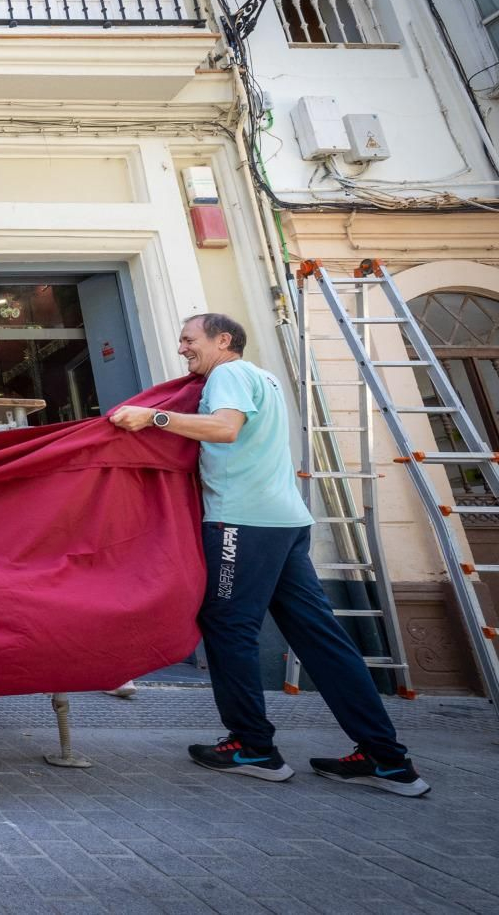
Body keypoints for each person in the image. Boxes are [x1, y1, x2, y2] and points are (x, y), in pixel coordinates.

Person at [109, 312, 429, 798]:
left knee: (228, 628)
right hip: (285, 522)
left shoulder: (230, 374)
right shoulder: (264, 378)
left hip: (244, 522)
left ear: (223, 340)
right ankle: (386, 757)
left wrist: (153, 417)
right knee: (321, 638)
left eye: (188, 339)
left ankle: (253, 748)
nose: (182, 348)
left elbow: (225, 429)